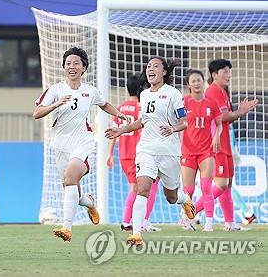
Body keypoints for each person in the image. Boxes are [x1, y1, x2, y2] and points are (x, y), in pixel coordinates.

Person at [34, 47, 125, 242]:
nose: (72, 67)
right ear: (63, 67)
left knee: (70, 177)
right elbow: (37, 113)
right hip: (59, 145)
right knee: (70, 185)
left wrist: (118, 113)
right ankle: (88, 201)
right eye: (68, 64)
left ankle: (66, 227)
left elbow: (104, 104)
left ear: (84, 67)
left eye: (76, 63)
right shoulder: (55, 90)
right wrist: (55, 104)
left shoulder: (90, 91)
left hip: (82, 143)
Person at [105, 56, 195, 246]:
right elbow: (142, 121)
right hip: (146, 149)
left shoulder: (173, 94)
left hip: (168, 151)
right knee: (142, 189)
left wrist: (173, 128)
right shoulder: (144, 95)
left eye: (155, 66)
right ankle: (136, 234)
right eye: (148, 66)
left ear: (164, 72)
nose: (150, 69)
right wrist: (121, 130)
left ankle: (185, 200)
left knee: (171, 197)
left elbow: (184, 122)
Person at [193, 59, 258, 231]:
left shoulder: (222, 92)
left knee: (227, 186)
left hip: (226, 144)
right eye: (225, 72)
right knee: (221, 184)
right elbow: (222, 117)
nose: (229, 75)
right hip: (216, 144)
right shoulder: (213, 91)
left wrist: (238, 112)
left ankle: (229, 223)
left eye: (229, 72)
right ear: (215, 75)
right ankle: (189, 213)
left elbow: (226, 116)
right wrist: (240, 112)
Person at [106, 73, 160, 232]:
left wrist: (110, 154)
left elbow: (115, 132)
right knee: (142, 188)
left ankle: (130, 221)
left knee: (135, 187)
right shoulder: (142, 107)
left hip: (124, 154)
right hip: (139, 154)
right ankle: (135, 221)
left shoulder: (121, 107)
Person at [180, 69, 222, 232]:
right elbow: (178, 122)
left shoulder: (211, 103)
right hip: (188, 151)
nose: (196, 83)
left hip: (206, 151)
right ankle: (187, 219)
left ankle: (209, 223)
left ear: (203, 82)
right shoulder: (184, 102)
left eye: (199, 80)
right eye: (193, 81)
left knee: (206, 187)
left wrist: (217, 136)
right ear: (188, 84)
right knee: (188, 190)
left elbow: (219, 125)